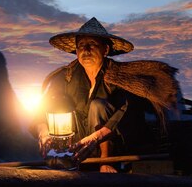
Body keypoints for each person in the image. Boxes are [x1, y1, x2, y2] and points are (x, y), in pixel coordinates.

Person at [34, 17, 180, 173]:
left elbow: (125, 111)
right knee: (59, 106)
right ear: (76, 51)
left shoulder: (120, 77)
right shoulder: (65, 77)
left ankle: (105, 162)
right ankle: (66, 157)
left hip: (114, 144)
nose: (86, 50)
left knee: (98, 106)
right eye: (81, 46)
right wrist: (43, 132)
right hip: (79, 145)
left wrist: (96, 138)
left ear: (106, 50)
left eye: (93, 45)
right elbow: (42, 108)